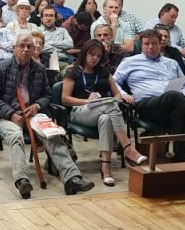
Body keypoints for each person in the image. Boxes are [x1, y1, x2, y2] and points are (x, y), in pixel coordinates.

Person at [0, 32, 95, 199]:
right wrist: (10, 114)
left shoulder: (39, 69)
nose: (26, 49)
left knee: (52, 134)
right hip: (6, 114)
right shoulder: (0, 68)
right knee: (15, 136)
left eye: (29, 46)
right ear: (14, 48)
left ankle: (72, 177)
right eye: (22, 46)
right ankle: (21, 180)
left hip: (32, 112)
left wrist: (37, 106)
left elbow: (47, 95)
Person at [113, 30, 185, 162]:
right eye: (146, 44)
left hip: (170, 104)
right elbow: (114, 82)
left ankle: (181, 159)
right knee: (173, 96)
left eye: (154, 43)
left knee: (179, 111)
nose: (150, 47)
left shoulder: (171, 63)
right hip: (146, 106)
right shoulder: (129, 62)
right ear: (141, 44)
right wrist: (123, 94)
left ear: (160, 44)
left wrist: (182, 97)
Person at [62, 40, 148, 185]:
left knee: (106, 119)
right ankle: (128, 149)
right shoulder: (73, 71)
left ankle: (106, 167)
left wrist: (115, 99)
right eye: (92, 54)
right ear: (85, 53)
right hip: (79, 111)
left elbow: (117, 94)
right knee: (110, 106)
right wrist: (87, 101)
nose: (94, 58)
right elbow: (65, 99)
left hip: (102, 109)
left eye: (98, 55)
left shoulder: (103, 72)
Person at [143, 3, 185, 74]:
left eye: (176, 18)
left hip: (177, 59)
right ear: (162, 14)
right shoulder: (151, 25)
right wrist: (181, 50)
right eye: (172, 17)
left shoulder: (177, 29)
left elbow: (183, 46)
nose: (174, 20)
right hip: (156, 59)